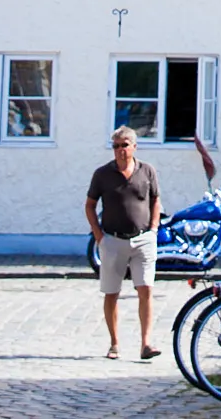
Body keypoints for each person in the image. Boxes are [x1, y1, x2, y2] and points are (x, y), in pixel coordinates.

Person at [86, 126, 163, 360]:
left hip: (142, 239)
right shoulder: (102, 174)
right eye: (116, 146)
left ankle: (146, 343)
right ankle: (114, 343)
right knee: (111, 292)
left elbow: (156, 200)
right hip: (113, 240)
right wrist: (99, 236)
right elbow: (89, 205)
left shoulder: (147, 171)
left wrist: (153, 229)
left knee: (146, 289)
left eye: (124, 145)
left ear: (134, 147)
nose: (120, 150)